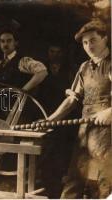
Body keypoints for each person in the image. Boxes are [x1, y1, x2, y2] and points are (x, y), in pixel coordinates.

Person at [47, 19, 111, 198]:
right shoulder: (84, 68)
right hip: (86, 129)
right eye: (84, 42)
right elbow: (72, 100)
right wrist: (51, 119)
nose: (88, 45)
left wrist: (110, 111)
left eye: (93, 40)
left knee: (105, 182)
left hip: (109, 133)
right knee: (74, 179)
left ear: (104, 38)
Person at [0, 25, 48, 93]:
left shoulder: (22, 61)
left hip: (18, 103)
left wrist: (23, 91)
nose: (5, 44)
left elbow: (43, 72)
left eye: (9, 41)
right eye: (2, 41)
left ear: (16, 43)